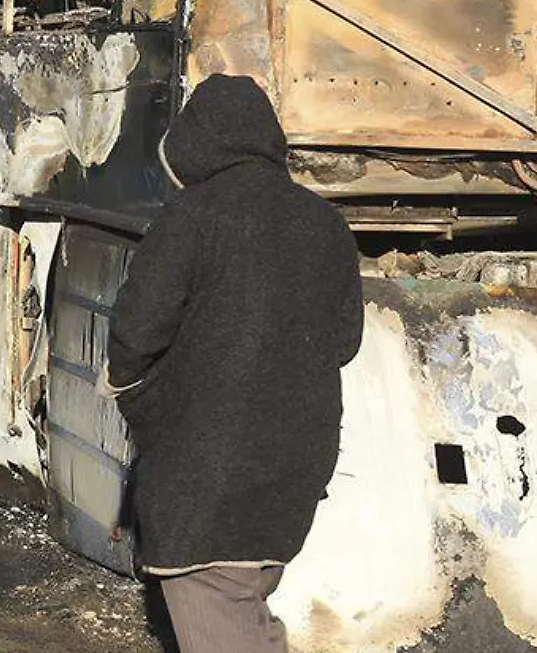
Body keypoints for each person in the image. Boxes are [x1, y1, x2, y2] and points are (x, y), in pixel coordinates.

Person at [107, 74, 365, 653]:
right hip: (296, 463)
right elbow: (345, 341)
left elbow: (136, 331)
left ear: (191, 145)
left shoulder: (191, 216)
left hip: (205, 476)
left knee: (218, 617)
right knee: (246, 611)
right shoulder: (326, 224)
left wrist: (136, 394)